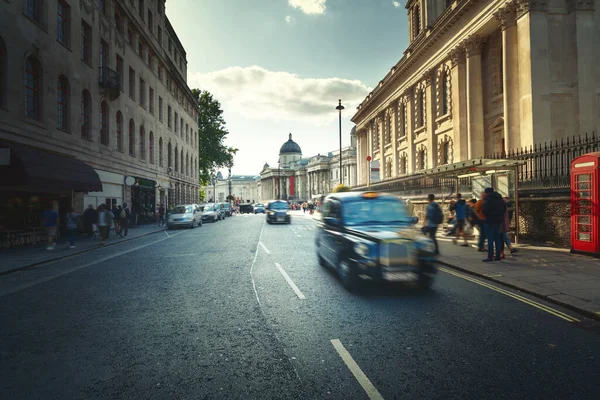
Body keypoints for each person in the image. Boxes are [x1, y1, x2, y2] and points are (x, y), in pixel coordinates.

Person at [482, 187, 507, 262]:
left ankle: (490, 257)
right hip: (499, 221)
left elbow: (485, 210)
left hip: (490, 221)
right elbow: (504, 209)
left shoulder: (488, 200)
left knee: (490, 239)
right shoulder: (500, 199)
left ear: (487, 193)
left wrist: (488, 216)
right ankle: (498, 256)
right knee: (497, 239)